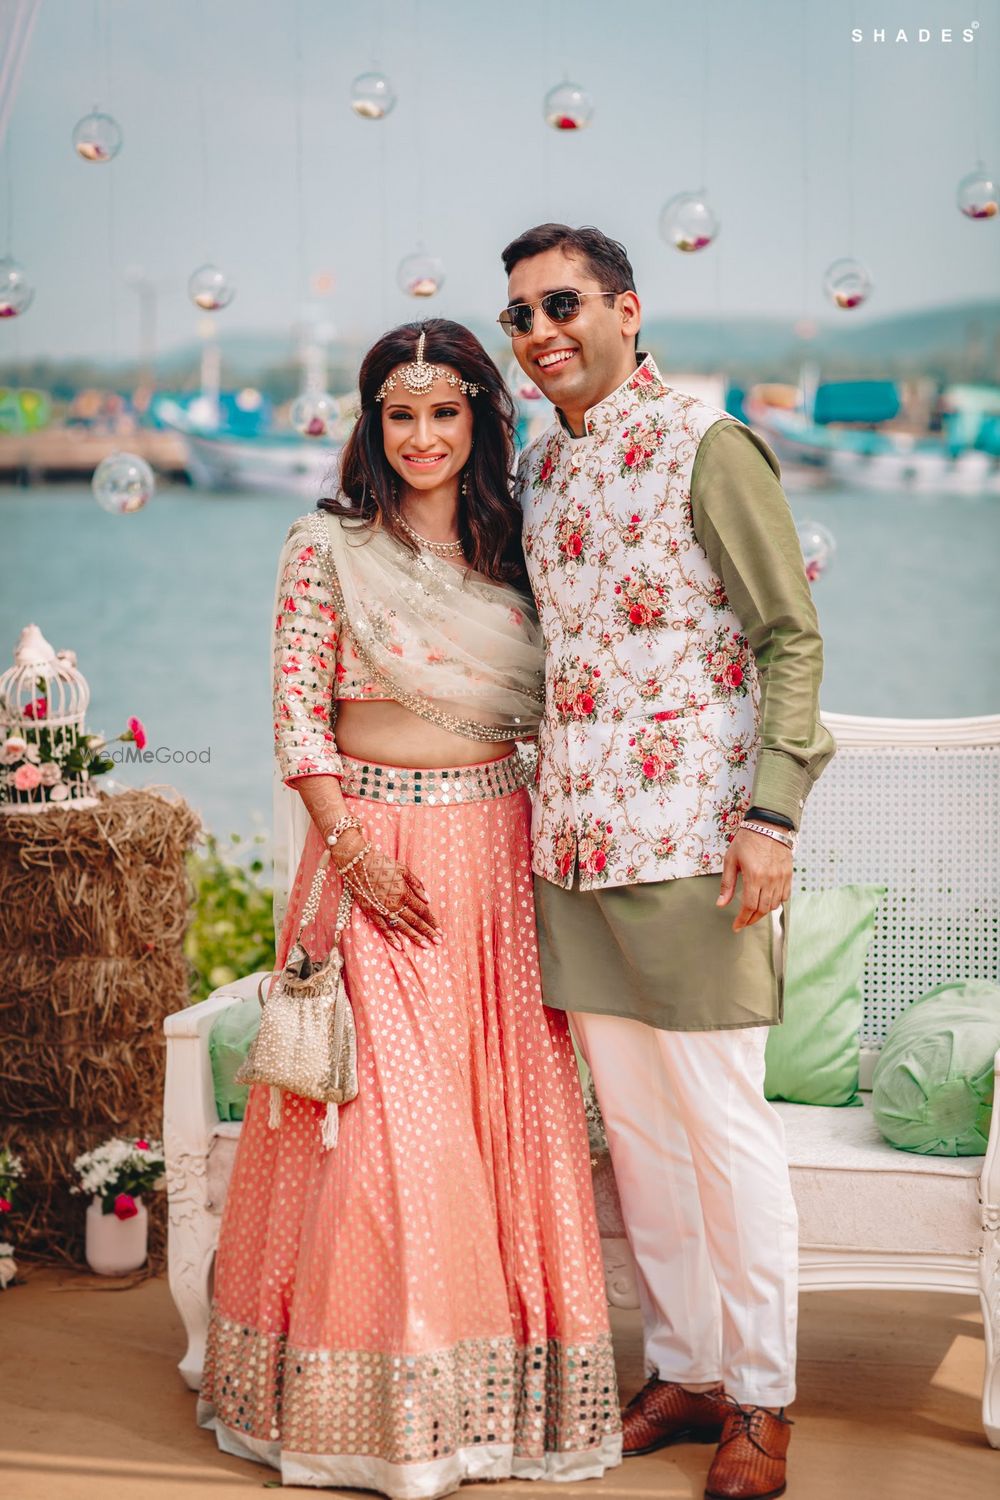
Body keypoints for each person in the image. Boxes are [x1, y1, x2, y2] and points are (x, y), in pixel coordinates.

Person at [196, 318, 622, 1499]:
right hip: (369, 855)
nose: (423, 435)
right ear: (372, 424)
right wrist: (350, 846)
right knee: (384, 1137)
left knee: (494, 1124)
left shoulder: (519, 544)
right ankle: (374, 1412)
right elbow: (296, 721)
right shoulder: (323, 546)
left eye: (445, 412)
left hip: (496, 853)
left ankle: (484, 1408)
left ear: (481, 418)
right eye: (401, 412)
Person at [501, 224, 836, 1500]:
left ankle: (761, 1399)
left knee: (721, 1130)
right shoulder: (538, 469)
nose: (541, 333)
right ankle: (687, 1369)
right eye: (521, 315)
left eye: (564, 303)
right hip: (572, 848)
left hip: (699, 846)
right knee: (638, 1138)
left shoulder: (708, 443)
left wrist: (773, 819)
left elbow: (790, 637)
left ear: (628, 308)